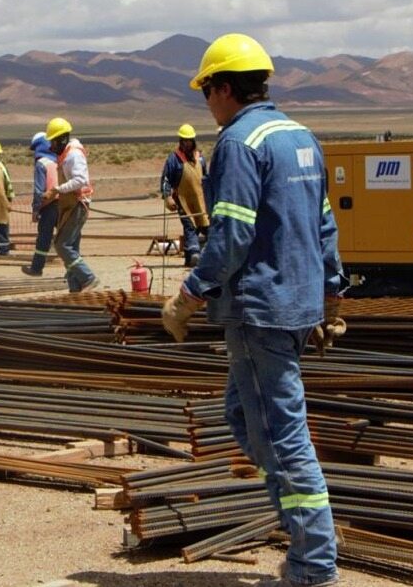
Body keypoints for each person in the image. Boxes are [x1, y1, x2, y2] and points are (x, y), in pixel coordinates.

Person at [160, 33, 344, 587]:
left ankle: (314, 562)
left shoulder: (240, 143)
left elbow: (232, 235)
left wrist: (189, 295)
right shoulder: (299, 136)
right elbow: (325, 224)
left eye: (206, 91)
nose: (206, 104)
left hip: (260, 308)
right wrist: (330, 294)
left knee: (282, 435)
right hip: (296, 302)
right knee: (245, 417)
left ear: (223, 88)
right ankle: (302, 532)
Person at [41, 117, 98, 293]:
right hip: (70, 205)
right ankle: (75, 289)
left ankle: (88, 278)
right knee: (72, 248)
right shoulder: (66, 154)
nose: (51, 146)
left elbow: (80, 180)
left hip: (78, 204)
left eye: (53, 141)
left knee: (62, 245)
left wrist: (56, 190)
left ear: (62, 139)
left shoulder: (73, 155)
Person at [160, 123, 210, 268]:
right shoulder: (174, 159)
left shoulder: (200, 158)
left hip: (201, 200)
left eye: (189, 141)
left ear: (193, 141)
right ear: (180, 141)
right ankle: (194, 254)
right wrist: (167, 197)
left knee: (206, 227)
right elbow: (166, 179)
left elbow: (206, 178)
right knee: (190, 227)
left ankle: (192, 258)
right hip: (183, 201)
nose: (187, 144)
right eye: (184, 141)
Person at [21, 131, 59, 277]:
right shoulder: (58, 161)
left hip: (48, 205)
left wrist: (36, 210)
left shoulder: (41, 163)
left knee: (44, 237)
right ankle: (74, 272)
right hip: (63, 203)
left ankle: (36, 268)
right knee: (65, 238)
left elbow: (39, 191)